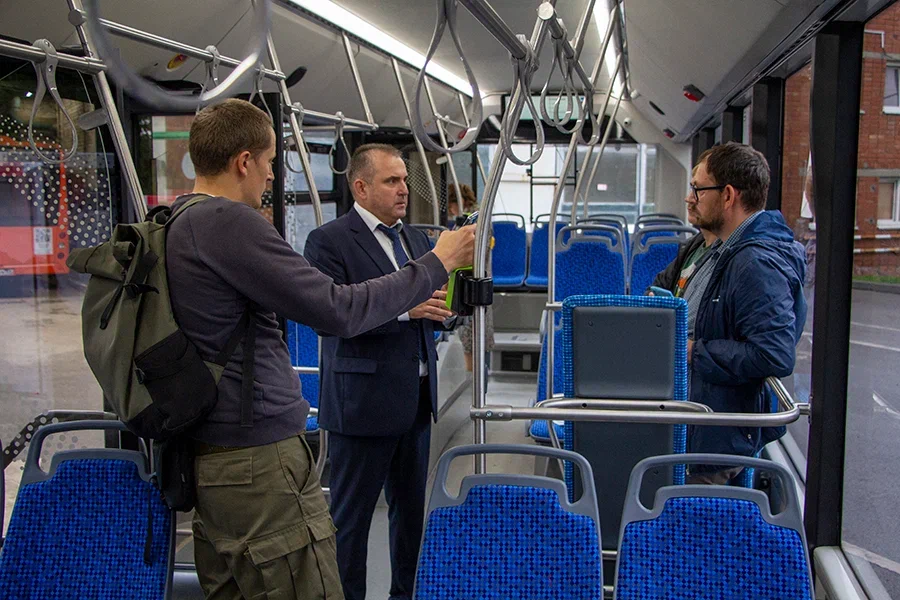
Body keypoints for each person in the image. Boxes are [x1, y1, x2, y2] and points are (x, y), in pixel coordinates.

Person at [165, 101, 475, 600]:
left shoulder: (178, 221)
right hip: (260, 451)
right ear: (243, 162)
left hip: (216, 442)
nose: (272, 176)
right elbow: (335, 311)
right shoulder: (236, 226)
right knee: (318, 567)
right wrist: (434, 265)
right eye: (269, 162)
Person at [303, 144, 456, 600]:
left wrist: (447, 312)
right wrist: (406, 312)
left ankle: (403, 595)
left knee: (410, 517)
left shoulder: (417, 241)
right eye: (392, 181)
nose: (404, 189)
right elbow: (330, 318)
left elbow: (429, 305)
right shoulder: (328, 242)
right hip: (362, 404)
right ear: (361, 187)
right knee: (350, 522)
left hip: (415, 398)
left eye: (404, 180)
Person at [683, 142, 807, 485]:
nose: (691, 197)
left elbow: (773, 354)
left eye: (698, 188)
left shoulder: (755, 263)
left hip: (715, 433)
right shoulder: (725, 250)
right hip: (704, 417)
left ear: (727, 195)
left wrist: (693, 351)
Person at [447, 183, 495, 373]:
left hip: (471, 278)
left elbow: (468, 252)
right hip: (475, 277)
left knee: (472, 330)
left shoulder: (473, 221)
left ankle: (474, 378)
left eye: (451, 205)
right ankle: (476, 377)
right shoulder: (475, 218)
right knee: (475, 331)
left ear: (460, 201)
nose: (450, 210)